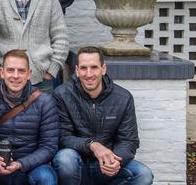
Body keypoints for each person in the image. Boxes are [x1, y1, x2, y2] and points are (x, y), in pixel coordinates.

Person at [52, 47, 154, 185]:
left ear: (103, 69)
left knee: (144, 174)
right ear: (77, 70)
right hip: (77, 163)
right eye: (83, 68)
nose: (89, 74)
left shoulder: (123, 98)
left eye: (94, 67)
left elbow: (129, 141)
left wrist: (116, 161)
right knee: (65, 159)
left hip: (107, 163)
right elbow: (63, 138)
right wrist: (92, 146)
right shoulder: (62, 94)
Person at [0, 49, 59, 185]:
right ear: (2, 73)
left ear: (29, 74)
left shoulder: (45, 102)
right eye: (10, 70)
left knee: (47, 178)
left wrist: (21, 164)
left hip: (31, 165)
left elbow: (49, 147)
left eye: (21, 71)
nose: (15, 76)